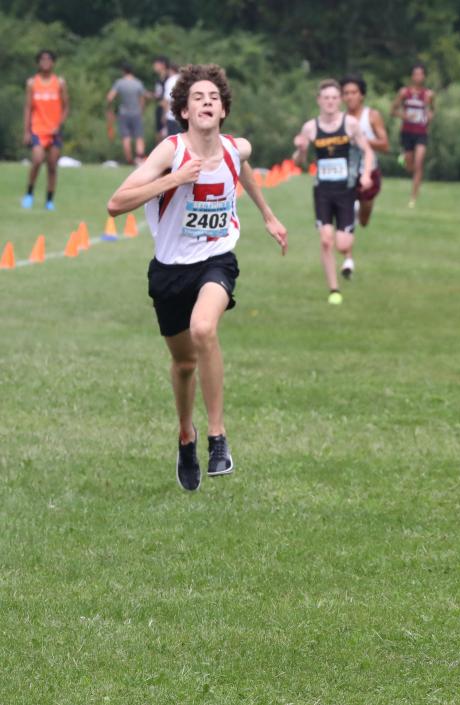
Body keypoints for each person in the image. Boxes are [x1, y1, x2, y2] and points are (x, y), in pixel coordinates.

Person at [106, 64, 288, 492]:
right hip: (169, 271)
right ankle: (186, 435)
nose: (207, 102)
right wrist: (174, 179)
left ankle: (217, 438)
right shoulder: (170, 152)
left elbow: (242, 165)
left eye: (213, 98)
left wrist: (268, 214)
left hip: (216, 259)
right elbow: (115, 204)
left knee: (205, 328)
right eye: (197, 98)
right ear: (184, 112)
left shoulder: (233, 146)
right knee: (183, 363)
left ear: (223, 109)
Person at [294, 79, 374, 304]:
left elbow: (367, 152)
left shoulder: (350, 125)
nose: (330, 102)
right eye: (326, 98)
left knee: (343, 245)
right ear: (319, 101)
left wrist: (366, 174)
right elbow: (299, 162)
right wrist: (301, 150)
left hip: (346, 191)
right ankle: (334, 289)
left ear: (340, 100)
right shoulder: (310, 127)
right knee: (326, 241)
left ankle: (351, 223)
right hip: (323, 191)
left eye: (334, 98)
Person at [341, 74, 390, 262]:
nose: (350, 97)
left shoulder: (372, 116)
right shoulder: (339, 118)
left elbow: (385, 145)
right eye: (346, 93)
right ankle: (348, 259)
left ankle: (361, 209)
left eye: (354, 92)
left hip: (370, 172)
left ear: (361, 95)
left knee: (364, 220)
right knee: (345, 216)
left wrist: (361, 141)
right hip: (346, 174)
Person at [22, 49, 69, 211]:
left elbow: (66, 106)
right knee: (36, 160)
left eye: (48, 59)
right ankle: (29, 193)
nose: (45, 62)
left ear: (53, 63)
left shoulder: (60, 83)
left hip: (54, 132)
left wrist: (59, 125)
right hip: (37, 129)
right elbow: (28, 108)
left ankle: (49, 200)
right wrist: (26, 131)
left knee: (52, 166)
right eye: (42, 60)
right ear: (38, 63)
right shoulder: (32, 83)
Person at [391, 63, 434, 208]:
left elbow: (432, 111)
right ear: (412, 76)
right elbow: (393, 111)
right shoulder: (404, 92)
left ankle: (413, 198)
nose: (418, 77)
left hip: (421, 133)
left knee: (419, 163)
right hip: (407, 132)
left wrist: (429, 116)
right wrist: (405, 116)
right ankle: (402, 159)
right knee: (410, 166)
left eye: (421, 74)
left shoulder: (428, 95)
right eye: (415, 74)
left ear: (424, 76)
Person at [106, 61, 146, 164]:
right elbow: (142, 98)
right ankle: (140, 159)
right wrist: (141, 110)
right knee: (139, 137)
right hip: (136, 112)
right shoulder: (138, 83)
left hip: (123, 113)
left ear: (123, 71)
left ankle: (129, 160)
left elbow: (110, 97)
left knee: (126, 137)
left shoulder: (119, 83)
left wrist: (111, 109)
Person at [150, 56, 171, 143]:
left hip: (166, 109)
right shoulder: (159, 79)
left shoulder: (169, 79)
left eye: (156, 65)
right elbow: (159, 94)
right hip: (159, 108)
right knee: (159, 133)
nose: (154, 67)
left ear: (162, 65)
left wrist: (165, 112)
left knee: (166, 134)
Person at [160, 61, 182, 137]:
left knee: (173, 141)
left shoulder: (170, 81)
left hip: (172, 116)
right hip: (184, 116)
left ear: (170, 70)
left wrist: (164, 116)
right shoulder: (184, 79)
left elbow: (166, 101)